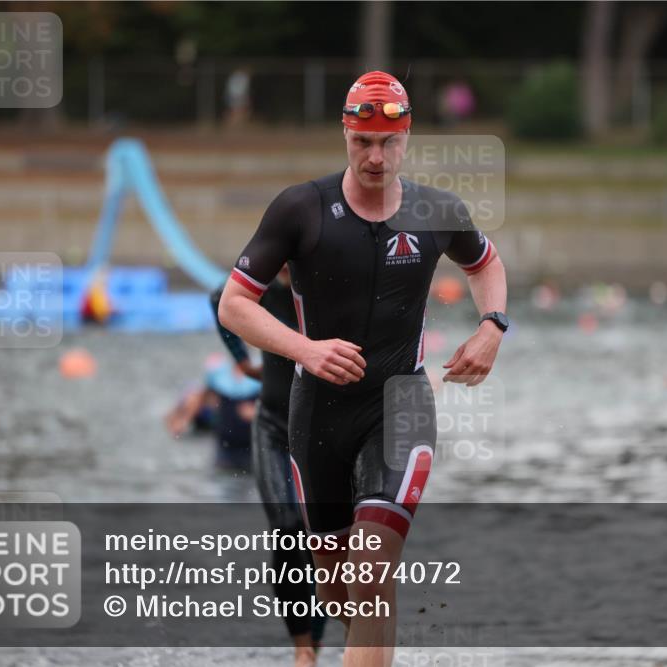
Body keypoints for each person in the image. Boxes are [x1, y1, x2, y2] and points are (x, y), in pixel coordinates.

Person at [218, 70, 508, 667]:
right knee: (338, 589)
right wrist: (307, 349)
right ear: (345, 134)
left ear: (407, 137)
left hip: (400, 405)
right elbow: (233, 304)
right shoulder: (302, 209)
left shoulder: (437, 209)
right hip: (317, 411)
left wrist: (492, 326)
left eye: (389, 143)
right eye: (362, 143)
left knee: (373, 567)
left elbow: (486, 263)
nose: (376, 158)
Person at [211, 271, 327, 667]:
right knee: (287, 529)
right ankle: (303, 648)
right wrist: (243, 362)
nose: (282, 269)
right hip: (275, 428)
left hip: (328, 432)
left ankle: (321, 639)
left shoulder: (325, 283)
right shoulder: (260, 289)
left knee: (325, 539)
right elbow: (218, 299)